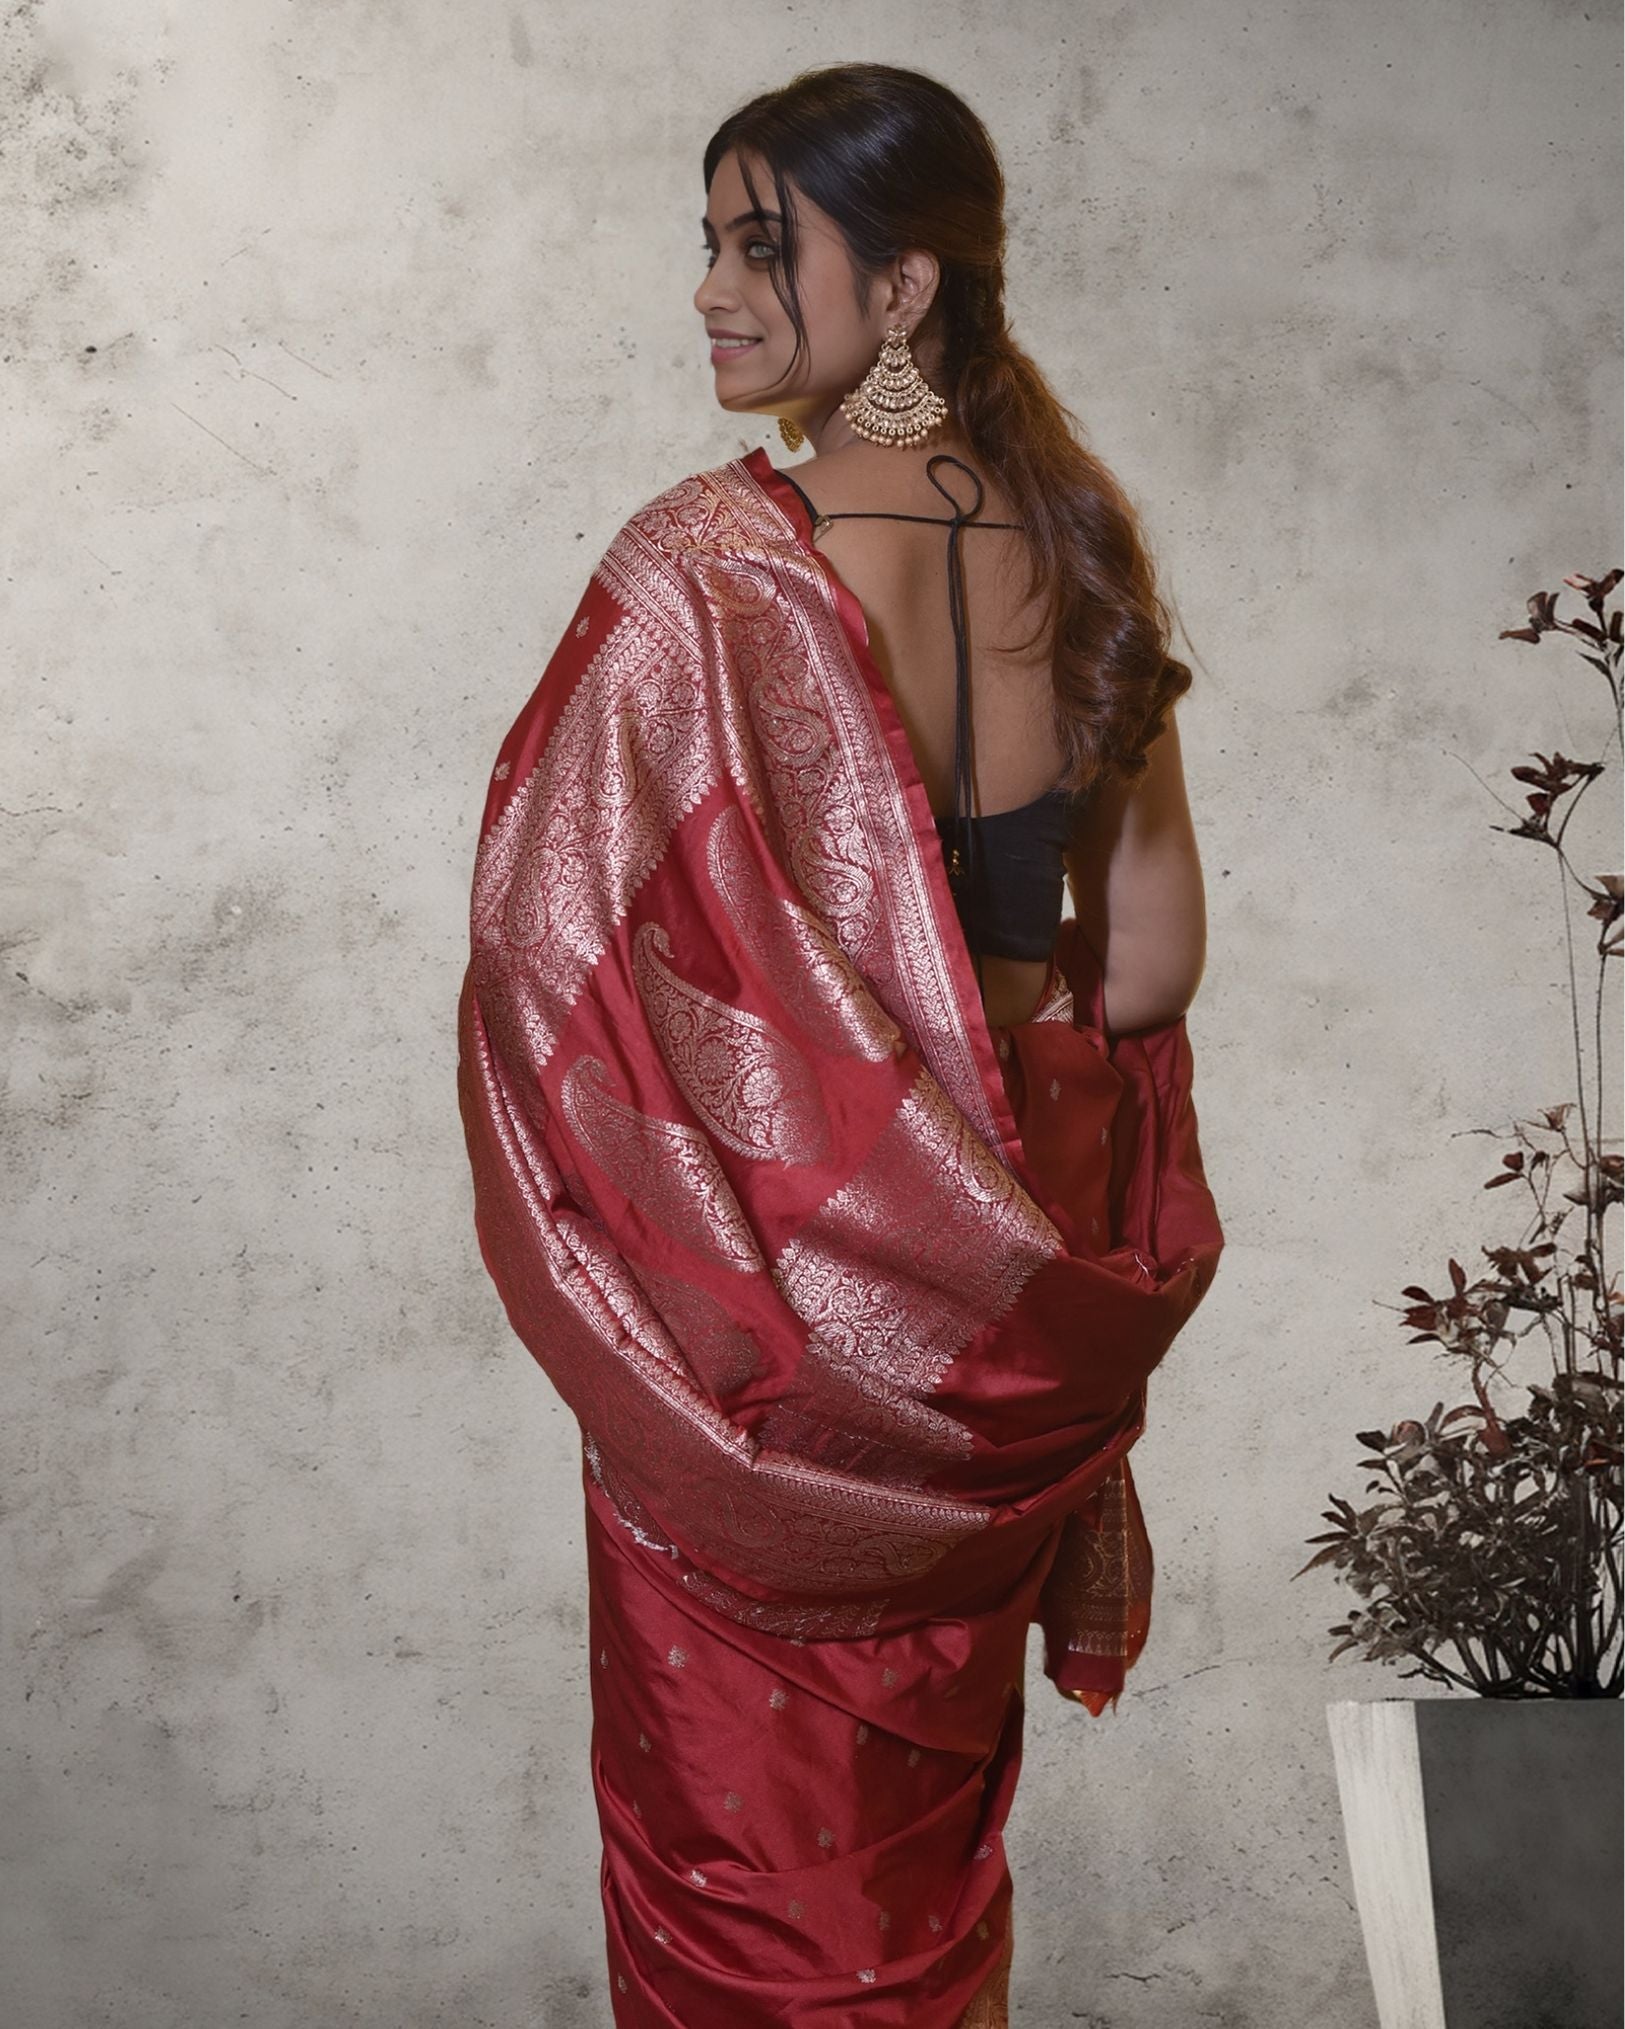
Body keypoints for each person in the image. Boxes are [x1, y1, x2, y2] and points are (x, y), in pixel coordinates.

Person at [456, 60, 1223, 2029]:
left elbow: (551, 945)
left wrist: (819, 1137)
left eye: (755, 246)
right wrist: (980, 1156)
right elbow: (1148, 968)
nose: (709, 288)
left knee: (746, 1861)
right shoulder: (1080, 548)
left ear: (899, 289)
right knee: (918, 1864)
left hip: (769, 1336)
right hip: (1000, 1333)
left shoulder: (712, 577)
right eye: (709, 242)